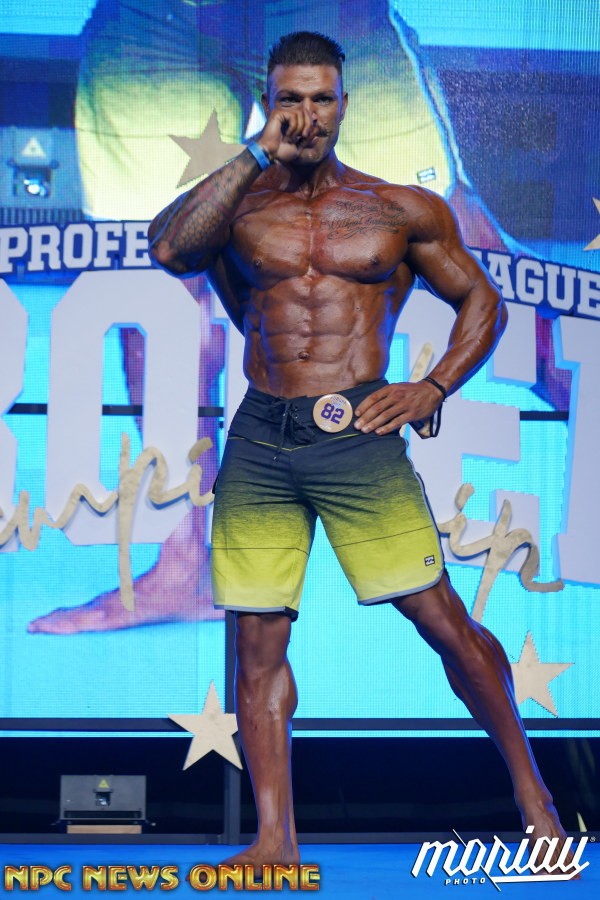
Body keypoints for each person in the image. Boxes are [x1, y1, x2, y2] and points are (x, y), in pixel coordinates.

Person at [148, 31, 570, 869]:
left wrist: (434, 386)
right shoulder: (237, 205)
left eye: (321, 99)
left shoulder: (396, 208)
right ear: (269, 103)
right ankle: (275, 840)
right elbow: (170, 249)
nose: (306, 116)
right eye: (290, 99)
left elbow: (481, 299)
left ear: (346, 104)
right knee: (257, 643)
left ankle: (535, 798)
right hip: (262, 438)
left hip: (358, 438)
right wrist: (253, 154)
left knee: (442, 621)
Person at [27, 0, 568, 636]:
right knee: (156, 274)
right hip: (158, 16)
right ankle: (184, 563)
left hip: (326, 12)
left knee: (458, 242)